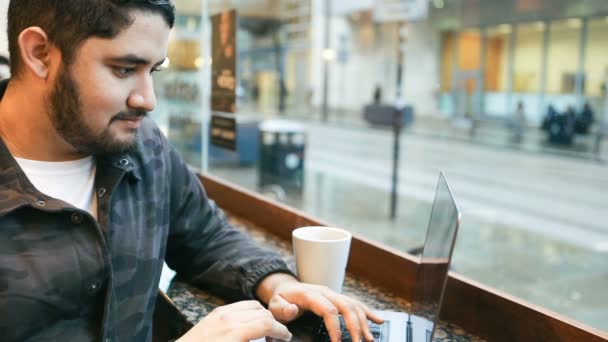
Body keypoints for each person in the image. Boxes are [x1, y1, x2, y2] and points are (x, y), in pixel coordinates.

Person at [0, 1, 382, 342]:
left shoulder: (142, 143)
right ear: (40, 53)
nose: (147, 100)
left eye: (154, 71)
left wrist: (277, 283)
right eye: (124, 69)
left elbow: (204, 235)